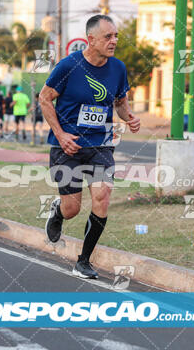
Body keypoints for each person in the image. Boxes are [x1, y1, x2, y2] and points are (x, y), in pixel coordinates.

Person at [40, 15, 141, 279]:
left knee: (102, 197)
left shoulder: (118, 68)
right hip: (68, 147)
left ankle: (83, 260)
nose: (114, 41)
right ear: (91, 39)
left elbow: (119, 102)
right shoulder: (68, 66)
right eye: (108, 36)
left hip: (100, 145)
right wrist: (60, 135)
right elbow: (44, 99)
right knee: (72, 208)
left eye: (116, 36)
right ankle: (58, 211)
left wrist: (129, 117)